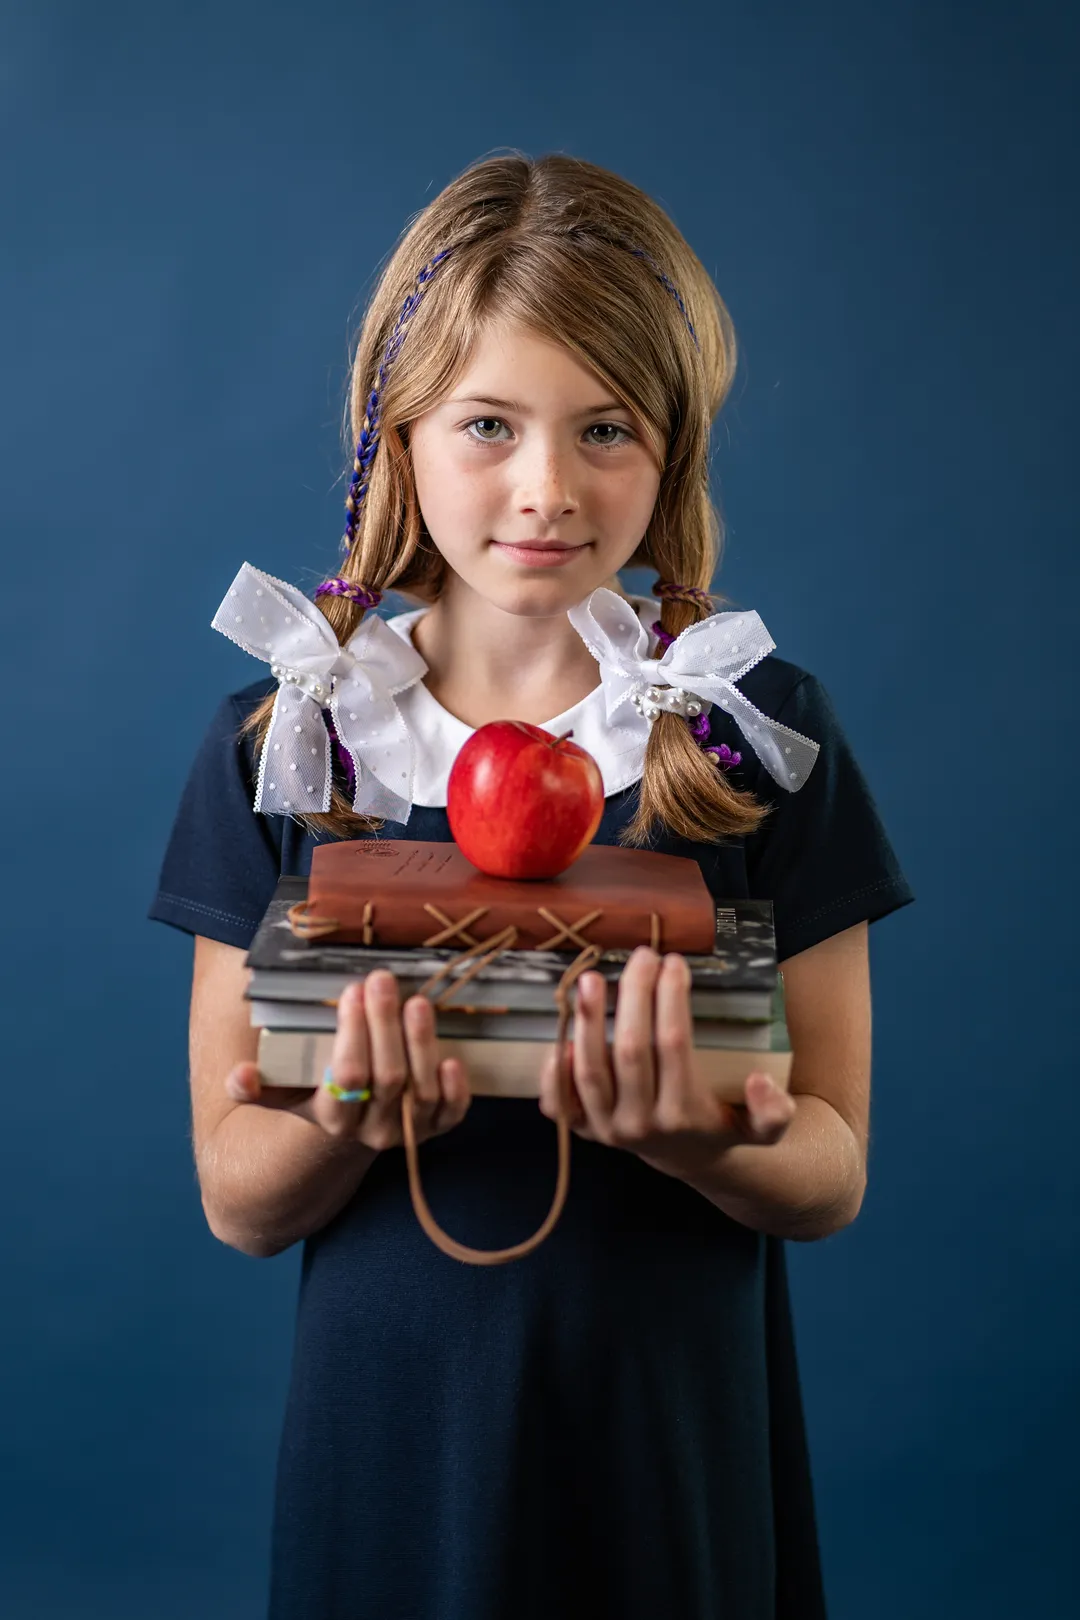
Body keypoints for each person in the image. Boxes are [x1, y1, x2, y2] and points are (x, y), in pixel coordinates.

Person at [149, 152, 914, 1620]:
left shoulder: (751, 729)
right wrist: (344, 1120)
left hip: (667, 1432)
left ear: (674, 444)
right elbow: (240, 1200)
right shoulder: (293, 743)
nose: (547, 489)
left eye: (607, 427)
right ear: (396, 435)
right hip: (395, 1435)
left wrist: (692, 1135)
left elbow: (828, 1171)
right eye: (488, 425)